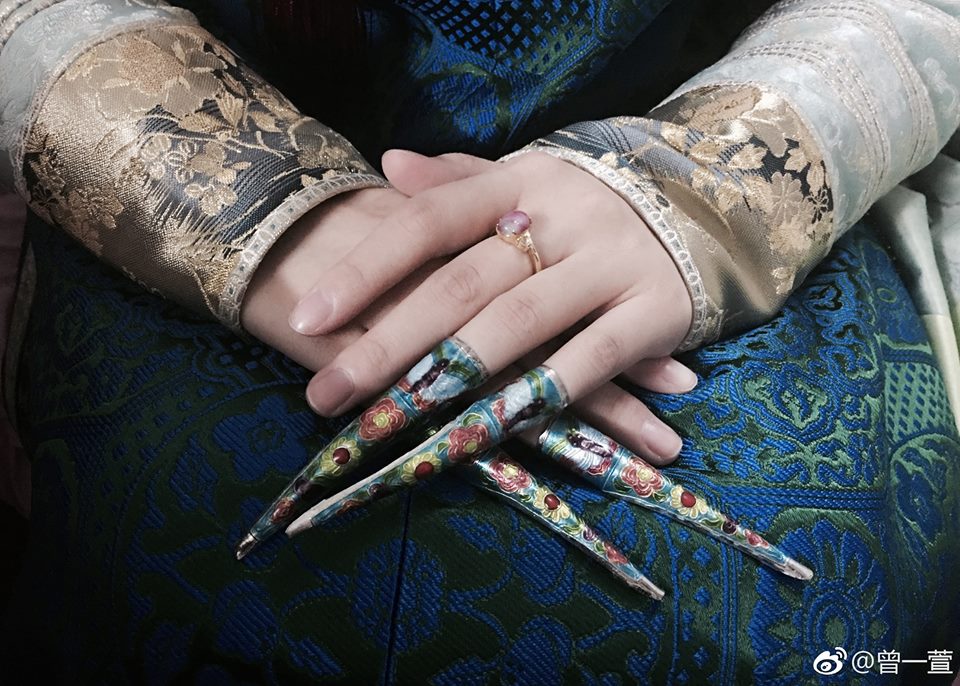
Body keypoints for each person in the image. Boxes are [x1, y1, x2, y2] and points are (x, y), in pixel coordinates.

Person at [0, 0, 958, 683]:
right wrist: (253, 199)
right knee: (198, 578)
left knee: (791, 610)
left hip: (700, 138)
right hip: (198, 158)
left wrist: (703, 178)